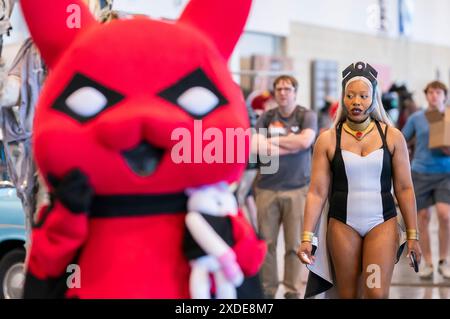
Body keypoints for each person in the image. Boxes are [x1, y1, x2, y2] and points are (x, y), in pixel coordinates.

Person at [297, 62, 421, 299]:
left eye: (363, 96)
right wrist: (306, 237)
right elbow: (316, 192)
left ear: (373, 98)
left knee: (375, 292)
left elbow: (404, 188)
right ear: (343, 98)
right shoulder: (327, 139)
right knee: (348, 294)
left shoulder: (393, 137)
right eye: (350, 95)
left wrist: (413, 235)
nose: (356, 101)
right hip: (343, 224)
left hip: (381, 224)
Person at [253, 75, 318, 299]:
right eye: (279, 89)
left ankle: (291, 290)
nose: (283, 92)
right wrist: (292, 143)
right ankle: (267, 291)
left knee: (294, 244)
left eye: (287, 89)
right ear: (274, 92)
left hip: (297, 188)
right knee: (266, 243)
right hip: (266, 188)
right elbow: (256, 147)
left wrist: (272, 142)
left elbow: (305, 142)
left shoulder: (306, 115)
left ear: (295, 92)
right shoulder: (266, 117)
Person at [401, 80, 450, 279]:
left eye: (438, 92)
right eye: (430, 92)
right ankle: (429, 261)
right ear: (426, 95)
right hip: (420, 172)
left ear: (445, 96)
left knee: (445, 216)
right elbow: (402, 140)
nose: (434, 95)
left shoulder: (448, 116)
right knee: (422, 217)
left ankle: (443, 260)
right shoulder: (416, 118)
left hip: (445, 173)